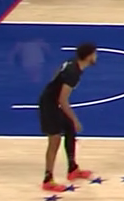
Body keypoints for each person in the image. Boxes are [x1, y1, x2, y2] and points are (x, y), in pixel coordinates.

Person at [38, 43, 98, 191]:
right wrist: (75, 120)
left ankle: (72, 169)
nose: (96, 57)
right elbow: (62, 100)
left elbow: (56, 74)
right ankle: (47, 179)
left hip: (52, 101)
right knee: (55, 140)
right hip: (49, 105)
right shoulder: (73, 73)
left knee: (70, 128)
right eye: (94, 54)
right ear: (89, 56)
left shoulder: (72, 63)